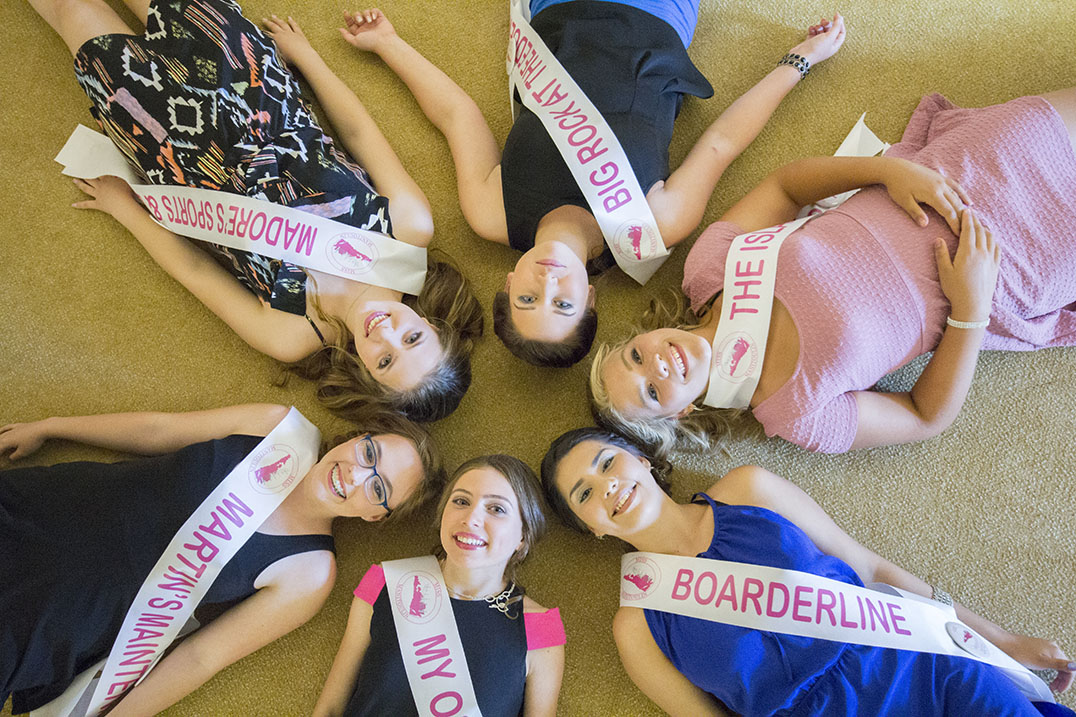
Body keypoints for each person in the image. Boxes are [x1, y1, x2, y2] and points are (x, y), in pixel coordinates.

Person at [29, 0, 483, 422]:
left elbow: (196, 270)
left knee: (71, 9)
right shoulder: (407, 232)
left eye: (385, 361)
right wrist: (307, 59)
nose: (385, 335)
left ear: (366, 374)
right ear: (433, 324)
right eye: (412, 339)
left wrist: (126, 209)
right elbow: (358, 133)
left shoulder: (291, 335)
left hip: (169, 141)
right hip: (250, 84)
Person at [337, 4, 846, 367]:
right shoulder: (654, 227)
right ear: (592, 300)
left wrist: (388, 44)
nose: (548, 284)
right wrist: (800, 60)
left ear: (509, 284)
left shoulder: (491, 212)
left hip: (555, 13)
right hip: (658, 15)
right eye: (563, 304)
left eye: (528, 300)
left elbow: (455, 116)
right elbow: (721, 143)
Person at [591, 88, 1076, 454]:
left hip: (959, 172)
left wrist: (885, 171)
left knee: (1037, 120)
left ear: (644, 336)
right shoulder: (794, 413)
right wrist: (970, 310)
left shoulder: (709, 271)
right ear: (681, 413)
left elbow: (785, 188)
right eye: (652, 392)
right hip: (1013, 265)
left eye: (635, 356)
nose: (654, 365)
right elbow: (923, 415)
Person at [540, 426, 1076, 716]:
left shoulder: (749, 490)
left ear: (642, 458)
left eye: (607, 461)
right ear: (594, 530)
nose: (606, 485)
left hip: (913, 665)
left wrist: (1001, 639)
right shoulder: (636, 626)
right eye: (584, 493)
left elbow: (871, 568)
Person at [0, 402, 444, 715]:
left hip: (55, 618)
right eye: (370, 452)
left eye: (379, 488)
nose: (357, 473)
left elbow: (201, 658)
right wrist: (52, 426)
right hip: (39, 509)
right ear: (358, 438)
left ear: (373, 516)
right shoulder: (279, 428)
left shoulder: (310, 573)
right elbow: (157, 431)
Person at [313, 455, 565, 716]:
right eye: (461, 501)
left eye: (497, 509)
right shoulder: (385, 583)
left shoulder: (540, 626)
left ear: (523, 537)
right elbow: (330, 708)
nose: (471, 518)